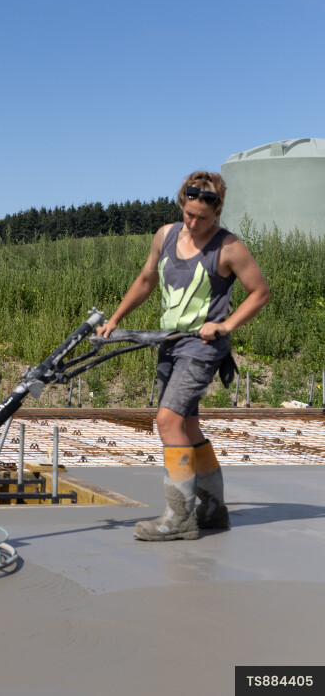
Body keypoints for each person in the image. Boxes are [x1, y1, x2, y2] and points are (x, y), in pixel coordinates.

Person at [97, 171, 270, 541]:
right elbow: (146, 280)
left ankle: (179, 518)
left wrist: (225, 325)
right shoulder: (166, 235)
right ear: (182, 204)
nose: (194, 223)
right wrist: (115, 319)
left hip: (202, 349)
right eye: (189, 215)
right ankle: (213, 509)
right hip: (170, 344)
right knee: (187, 426)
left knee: (168, 421)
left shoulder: (229, 247)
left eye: (202, 218)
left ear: (217, 212)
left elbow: (260, 292)